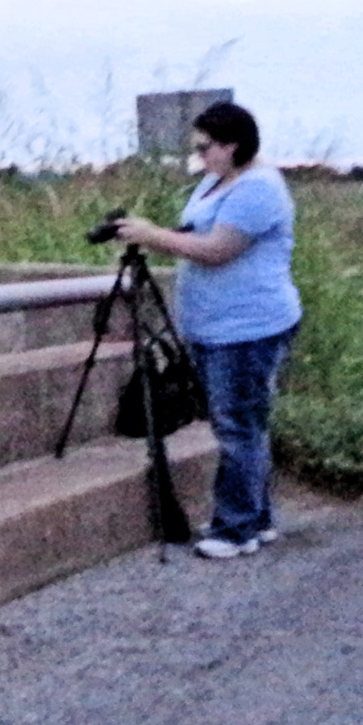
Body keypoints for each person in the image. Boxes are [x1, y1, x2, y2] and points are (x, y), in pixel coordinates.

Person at [114, 100, 302, 560]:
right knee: (245, 424)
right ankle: (256, 519)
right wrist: (159, 234)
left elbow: (218, 249)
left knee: (237, 427)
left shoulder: (259, 189)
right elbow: (196, 231)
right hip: (216, 327)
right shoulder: (218, 180)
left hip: (247, 328)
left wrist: (151, 235)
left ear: (232, 144)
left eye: (205, 147)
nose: (199, 156)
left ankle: (234, 529)